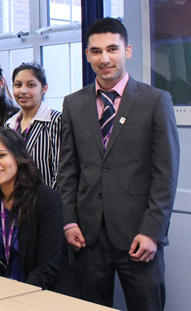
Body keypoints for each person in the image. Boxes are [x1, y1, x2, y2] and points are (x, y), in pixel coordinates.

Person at [58, 18, 179, 310]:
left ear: (127, 50)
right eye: (96, 51)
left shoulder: (155, 101)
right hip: (86, 236)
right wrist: (69, 220)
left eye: (112, 49)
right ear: (87, 55)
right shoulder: (73, 104)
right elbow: (68, 170)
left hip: (139, 235)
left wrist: (152, 231)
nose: (105, 58)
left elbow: (166, 174)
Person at [0, 128, 62, 289]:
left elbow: (46, 268)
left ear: (18, 157)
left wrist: (17, 299)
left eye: (1, 155)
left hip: (37, 293)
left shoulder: (46, 199)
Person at [5, 62, 61, 189]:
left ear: (44, 88)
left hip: (46, 202)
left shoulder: (56, 121)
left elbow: (60, 172)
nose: (23, 91)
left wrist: (51, 202)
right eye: (18, 85)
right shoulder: (9, 125)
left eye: (31, 85)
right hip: (16, 200)